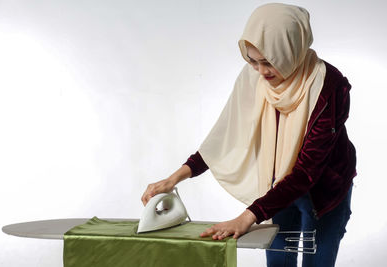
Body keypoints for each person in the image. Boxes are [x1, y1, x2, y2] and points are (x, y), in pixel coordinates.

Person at [141, 3, 356, 267]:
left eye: (269, 62)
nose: (262, 72)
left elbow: (306, 172)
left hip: (323, 192)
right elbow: (223, 139)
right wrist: (175, 178)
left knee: (317, 262)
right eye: (253, 61)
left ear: (292, 50)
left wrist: (247, 217)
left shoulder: (329, 86)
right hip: (277, 188)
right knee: (278, 262)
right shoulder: (254, 77)